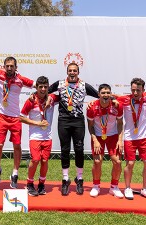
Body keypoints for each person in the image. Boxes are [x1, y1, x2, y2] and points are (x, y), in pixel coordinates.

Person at [48, 62, 99, 196]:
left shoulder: (83, 86)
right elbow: (44, 91)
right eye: (70, 70)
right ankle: (65, 179)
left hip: (78, 121)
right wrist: (38, 96)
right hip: (64, 120)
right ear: (67, 72)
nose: (72, 73)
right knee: (65, 149)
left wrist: (94, 102)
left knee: (79, 149)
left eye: (74, 71)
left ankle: (80, 178)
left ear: (78, 73)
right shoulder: (59, 84)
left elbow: (100, 96)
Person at [0, 57, 34, 189]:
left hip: (15, 117)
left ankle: (15, 173)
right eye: (7, 66)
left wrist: (34, 94)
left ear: (15, 67)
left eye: (11, 66)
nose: (9, 68)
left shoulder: (20, 79)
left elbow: (37, 84)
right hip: (1, 115)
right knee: (0, 145)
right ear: (4, 66)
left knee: (17, 146)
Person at [117, 78, 146, 200]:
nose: (135, 93)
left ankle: (145, 189)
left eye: (138, 90)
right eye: (133, 90)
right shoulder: (125, 99)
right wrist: (93, 103)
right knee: (130, 163)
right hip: (129, 137)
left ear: (143, 90)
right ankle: (127, 188)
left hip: (144, 137)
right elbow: (108, 98)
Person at [20, 76, 57, 196]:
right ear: (36, 87)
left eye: (45, 87)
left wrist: (50, 97)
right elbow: (21, 117)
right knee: (35, 160)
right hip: (35, 136)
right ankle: (29, 184)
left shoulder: (52, 99)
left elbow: (61, 93)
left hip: (48, 137)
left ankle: (41, 184)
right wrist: (37, 123)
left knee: (45, 161)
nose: (43, 89)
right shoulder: (31, 100)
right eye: (40, 87)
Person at [87, 84, 124, 199]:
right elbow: (90, 126)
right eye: (103, 93)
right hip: (98, 136)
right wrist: (95, 140)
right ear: (98, 94)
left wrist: (120, 139)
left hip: (113, 136)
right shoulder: (92, 107)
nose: (106, 95)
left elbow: (120, 123)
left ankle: (114, 187)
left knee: (117, 162)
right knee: (98, 161)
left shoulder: (117, 106)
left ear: (111, 94)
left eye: (108, 92)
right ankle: (96, 186)